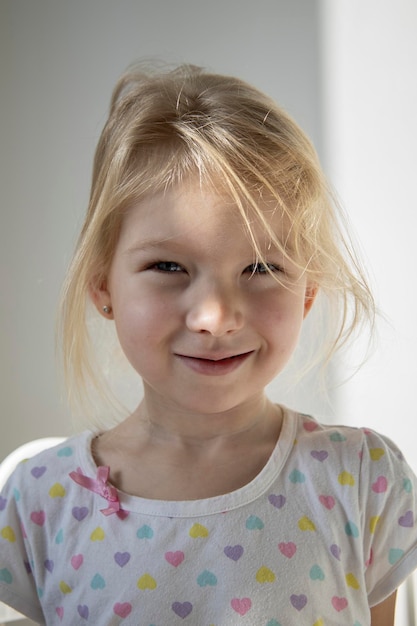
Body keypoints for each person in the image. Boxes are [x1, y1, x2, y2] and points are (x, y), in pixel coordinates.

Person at [0, 63, 416, 626]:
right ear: (103, 286)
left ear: (308, 290)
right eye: (168, 265)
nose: (216, 317)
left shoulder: (362, 478)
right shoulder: (37, 501)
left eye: (263, 266)